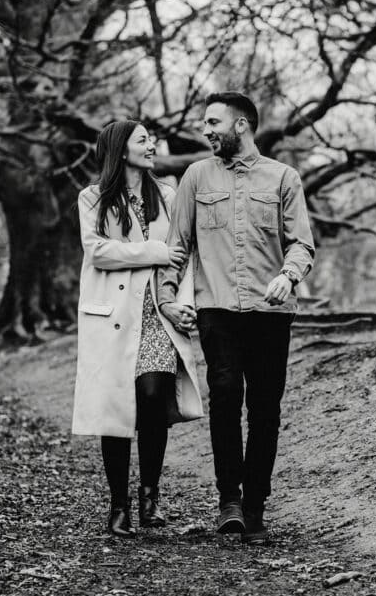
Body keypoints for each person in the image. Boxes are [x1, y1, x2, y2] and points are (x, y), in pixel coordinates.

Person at [157, 91, 315, 544]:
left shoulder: (284, 178)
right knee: (225, 394)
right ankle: (229, 500)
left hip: (271, 312)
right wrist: (168, 297)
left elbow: (301, 243)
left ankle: (255, 506)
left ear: (241, 125)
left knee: (265, 409)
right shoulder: (195, 176)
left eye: (213, 122)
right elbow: (177, 246)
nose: (206, 131)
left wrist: (289, 275)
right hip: (217, 309)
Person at [72, 120, 205, 538]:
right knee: (116, 410)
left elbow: (183, 254)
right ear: (119, 148)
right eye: (143, 139)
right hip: (112, 317)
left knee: (152, 397)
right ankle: (118, 506)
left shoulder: (167, 195)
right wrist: (156, 251)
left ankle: (150, 498)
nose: (152, 145)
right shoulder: (93, 198)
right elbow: (98, 251)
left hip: (156, 315)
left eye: (152, 139)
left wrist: (182, 303)